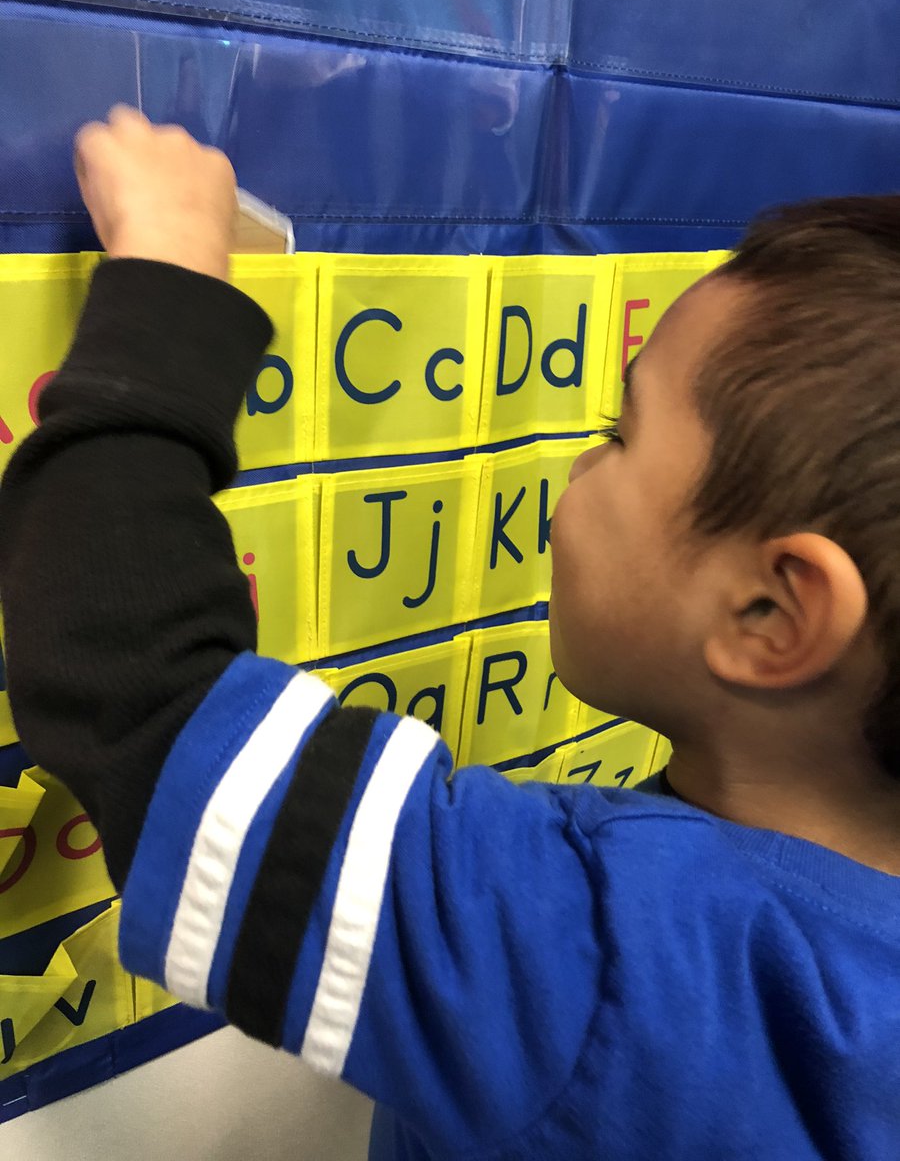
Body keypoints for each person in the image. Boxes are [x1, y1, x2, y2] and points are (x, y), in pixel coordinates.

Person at [1, 105, 899, 1160]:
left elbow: (141, 691)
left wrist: (169, 293)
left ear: (772, 614)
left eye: (621, 432)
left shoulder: (615, 962)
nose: (577, 464)